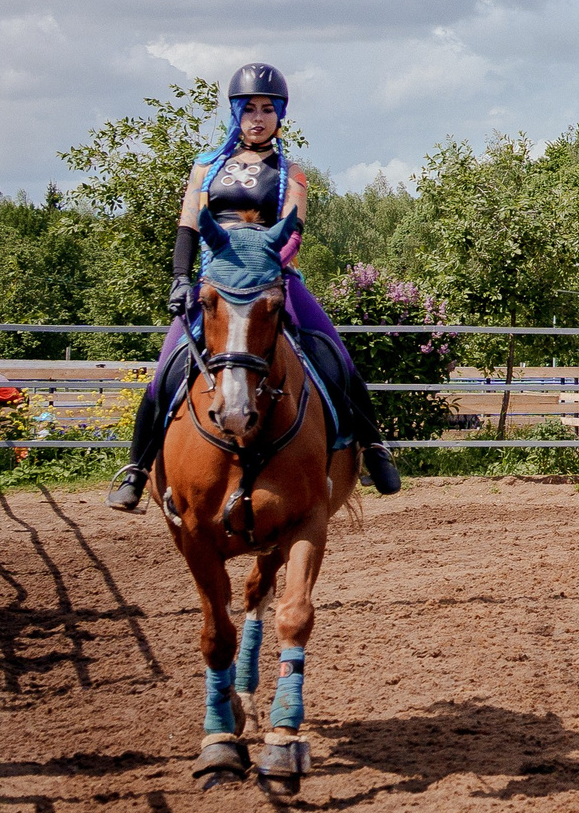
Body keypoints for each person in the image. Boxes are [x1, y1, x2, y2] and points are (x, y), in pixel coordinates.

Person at [106, 63, 402, 511]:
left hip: (272, 279)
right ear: (236, 114)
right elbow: (188, 226)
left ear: (280, 115)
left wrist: (266, 269)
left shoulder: (292, 172)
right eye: (250, 109)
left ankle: (373, 448)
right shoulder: (205, 167)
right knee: (165, 369)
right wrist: (181, 279)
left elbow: (294, 230)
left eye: (268, 109)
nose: (258, 118)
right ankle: (137, 467)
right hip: (215, 283)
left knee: (335, 355)